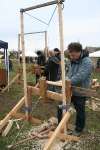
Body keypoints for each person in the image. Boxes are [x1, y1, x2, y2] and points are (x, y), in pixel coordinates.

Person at [66, 42, 93, 136]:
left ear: (79, 52)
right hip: (70, 89)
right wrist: (66, 79)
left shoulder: (87, 61)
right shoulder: (73, 60)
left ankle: (78, 129)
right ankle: (62, 125)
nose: (71, 57)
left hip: (81, 90)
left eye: (73, 54)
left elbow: (81, 76)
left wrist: (67, 82)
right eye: (70, 54)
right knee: (62, 106)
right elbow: (70, 73)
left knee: (80, 110)